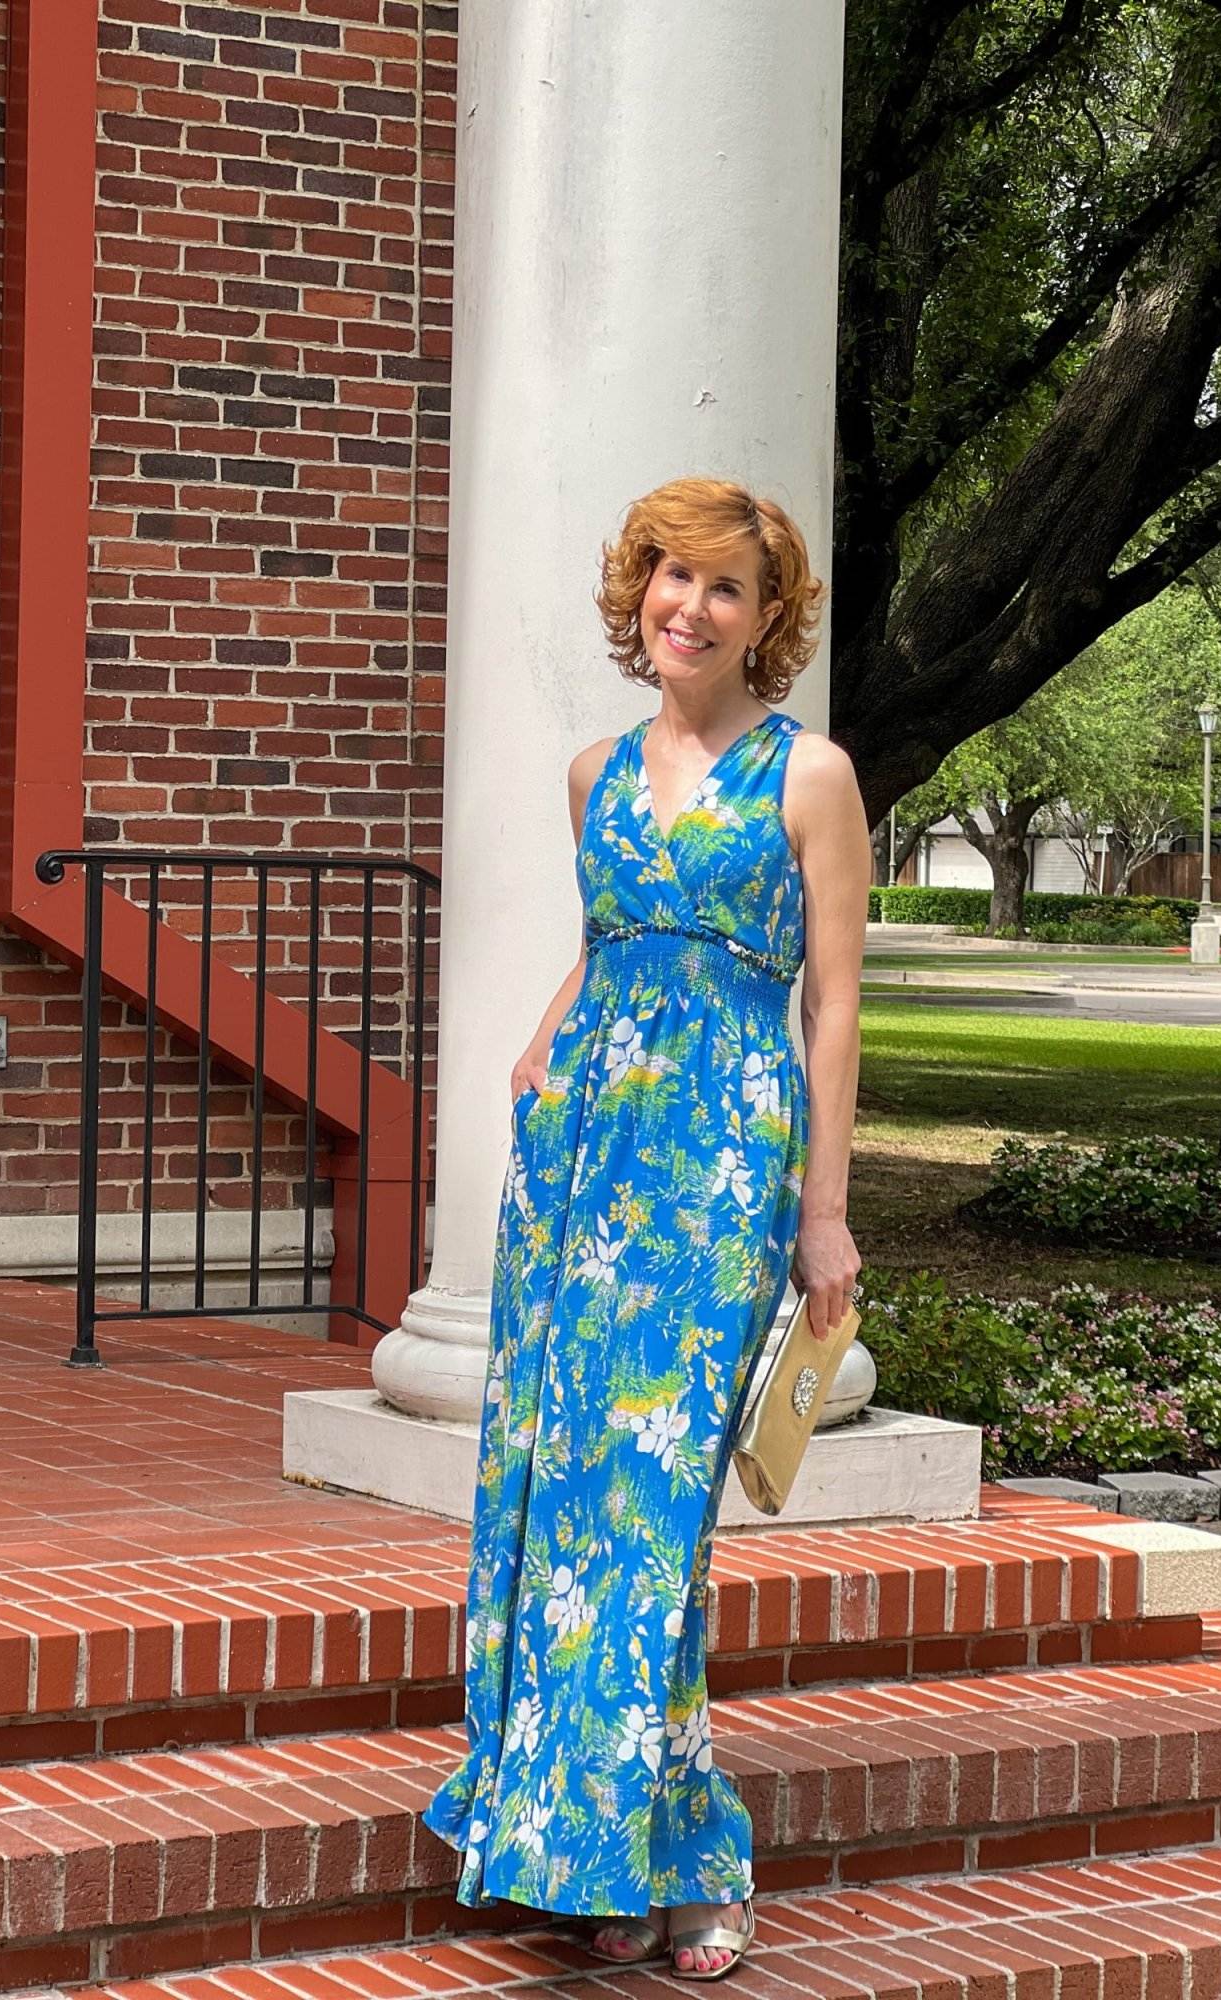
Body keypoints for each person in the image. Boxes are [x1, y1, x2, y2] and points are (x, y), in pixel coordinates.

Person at [421, 475, 871, 1981]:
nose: (689, 604)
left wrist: (825, 1217)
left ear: (765, 618)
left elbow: (833, 1000)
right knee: (558, 1510)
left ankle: (694, 1851)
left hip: (721, 1176)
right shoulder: (589, 774)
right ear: (639, 596)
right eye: (669, 576)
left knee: (654, 1515)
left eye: (724, 586)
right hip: (579, 1171)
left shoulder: (811, 777)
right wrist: (542, 1038)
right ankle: (601, 1861)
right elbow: (610, 946)